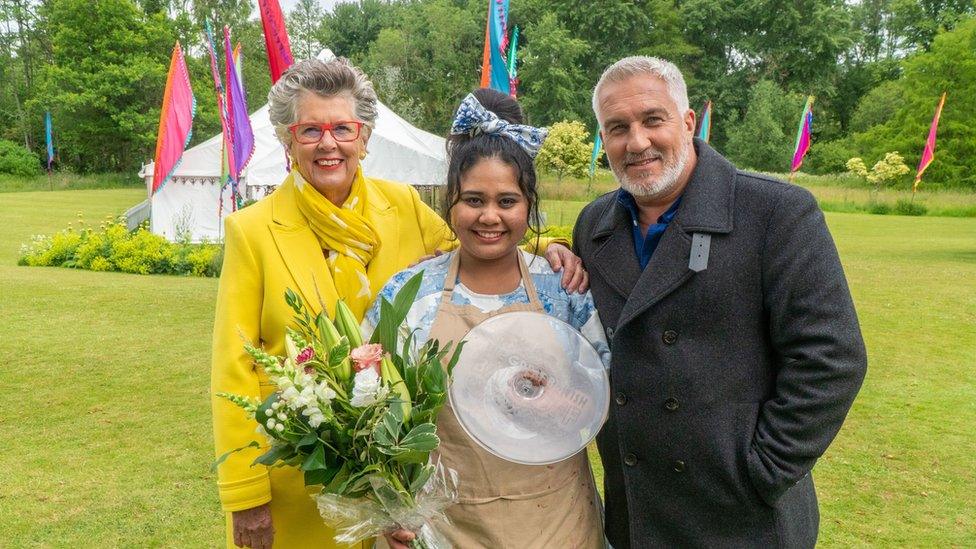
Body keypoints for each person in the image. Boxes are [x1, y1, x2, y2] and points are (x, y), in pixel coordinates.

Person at [210, 58, 585, 549]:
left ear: (363, 137)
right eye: (310, 130)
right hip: (304, 474)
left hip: (402, 477)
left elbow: (479, 234)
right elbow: (233, 368)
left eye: (342, 128)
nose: (329, 144)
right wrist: (245, 495)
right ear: (286, 138)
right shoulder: (252, 231)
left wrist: (546, 246)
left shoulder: (403, 204)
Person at [572, 56, 868, 547]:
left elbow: (831, 357)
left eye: (652, 120)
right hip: (638, 511)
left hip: (741, 516)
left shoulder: (775, 211)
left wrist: (764, 471)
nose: (637, 142)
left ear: (687, 123)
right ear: (603, 140)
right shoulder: (593, 225)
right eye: (617, 127)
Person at [367, 89, 608, 549]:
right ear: (450, 205)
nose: (489, 217)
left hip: (555, 521)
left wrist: (560, 402)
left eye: (507, 201)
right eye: (473, 200)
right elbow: (369, 410)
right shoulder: (408, 294)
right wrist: (391, 506)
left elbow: (606, 389)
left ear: (528, 206)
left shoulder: (564, 291)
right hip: (442, 527)